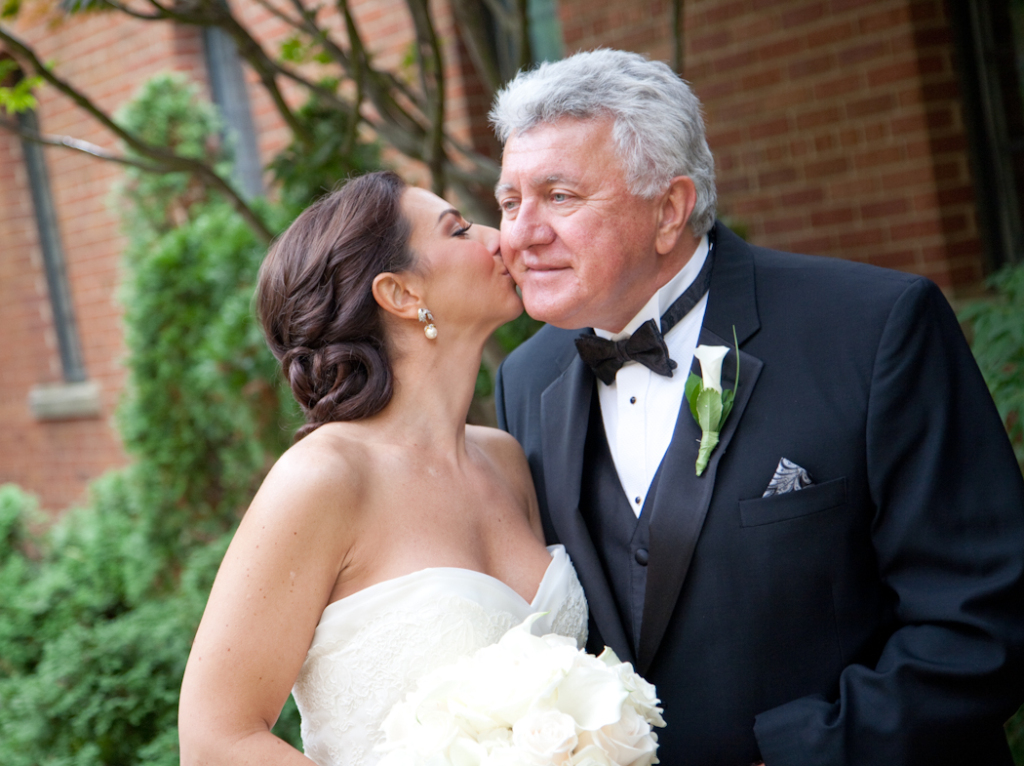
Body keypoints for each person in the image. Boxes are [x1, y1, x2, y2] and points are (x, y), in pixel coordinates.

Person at [491, 48, 1024, 766]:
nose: (521, 234)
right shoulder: (525, 381)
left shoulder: (874, 329)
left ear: (669, 209)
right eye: (509, 202)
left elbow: (984, 621)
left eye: (559, 197)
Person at [177, 171, 587, 766]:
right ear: (400, 293)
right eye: (458, 231)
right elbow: (214, 741)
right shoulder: (324, 477)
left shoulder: (504, 460)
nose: (499, 237)